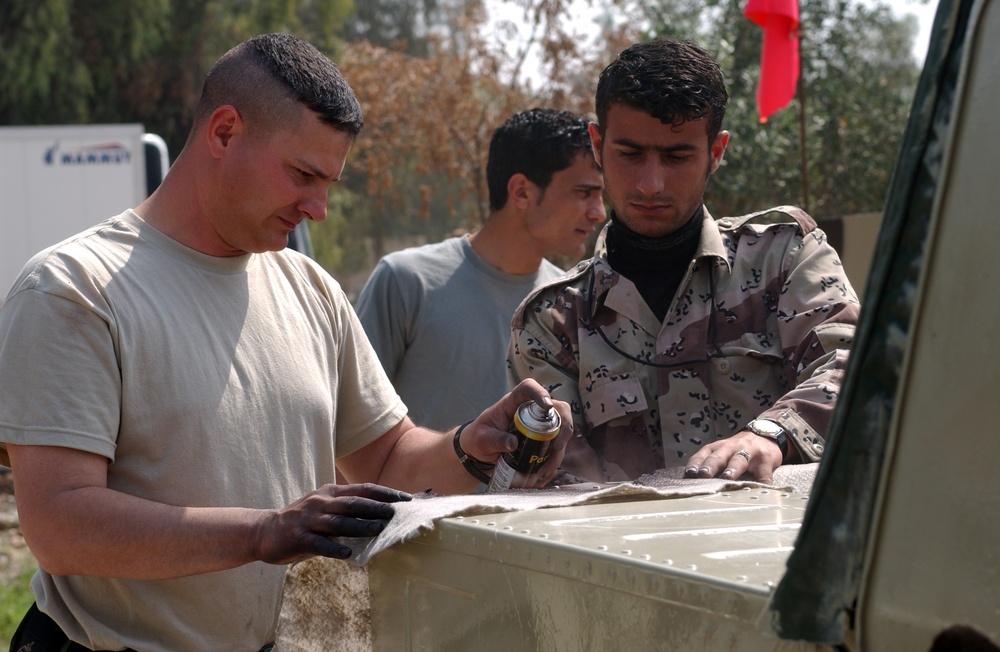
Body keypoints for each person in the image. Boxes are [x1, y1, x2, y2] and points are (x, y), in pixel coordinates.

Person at [0, 33, 570, 652]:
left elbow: (386, 459)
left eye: (329, 182)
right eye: (303, 174)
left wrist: (470, 446)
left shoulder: (310, 288)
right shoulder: (74, 289)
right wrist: (261, 533)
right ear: (224, 132)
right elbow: (60, 523)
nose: (319, 207)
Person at [507, 38, 860, 486]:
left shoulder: (785, 258)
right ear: (597, 144)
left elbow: (853, 369)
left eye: (677, 157)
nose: (651, 184)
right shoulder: (552, 324)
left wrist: (772, 435)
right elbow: (562, 492)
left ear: (716, 152)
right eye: (630, 154)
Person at [355, 108, 605, 431]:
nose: (599, 212)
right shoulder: (406, 282)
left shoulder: (572, 305)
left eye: (600, 195)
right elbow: (347, 433)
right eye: (584, 193)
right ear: (521, 192)